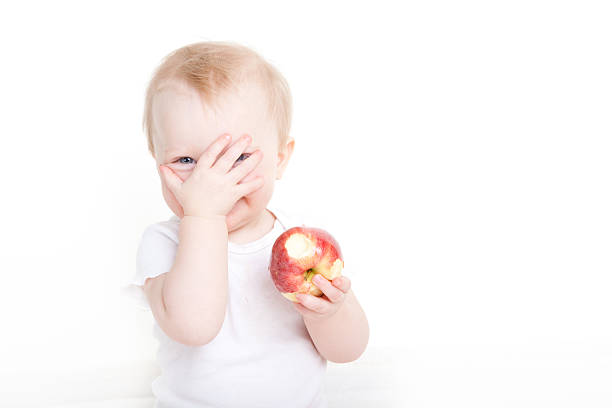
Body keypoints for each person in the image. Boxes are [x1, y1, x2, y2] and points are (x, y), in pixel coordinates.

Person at [122, 40, 369, 407]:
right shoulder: (163, 243)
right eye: (187, 160)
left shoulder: (298, 240)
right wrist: (203, 217)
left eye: (236, 158)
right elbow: (195, 327)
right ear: (156, 158)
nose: (212, 181)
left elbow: (349, 350)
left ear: (280, 159)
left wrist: (330, 312)